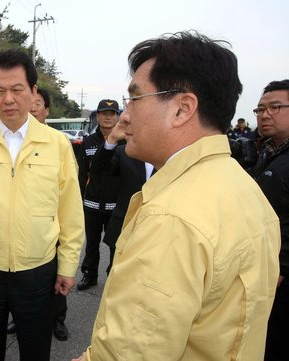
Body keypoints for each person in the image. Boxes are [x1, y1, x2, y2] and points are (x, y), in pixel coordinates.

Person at [74, 31, 280, 361]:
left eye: (135, 99)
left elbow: (131, 353)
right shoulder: (244, 188)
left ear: (182, 109)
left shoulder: (171, 218)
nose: (125, 115)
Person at [0, 49, 84, 361]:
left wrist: (67, 264)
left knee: (35, 351)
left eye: (17, 89)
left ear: (34, 93)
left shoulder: (57, 144)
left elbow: (70, 211)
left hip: (37, 271)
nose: (8, 99)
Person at [6, 87, 71, 341]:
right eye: (31, 105)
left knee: (53, 286)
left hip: (48, 231)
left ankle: (57, 320)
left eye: (38, 105)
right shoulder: (4, 140)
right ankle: (18, 318)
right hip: (17, 238)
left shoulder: (58, 143)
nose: (33, 109)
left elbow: (68, 197)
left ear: (46, 110)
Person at [250, 79, 289, 361]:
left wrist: (281, 267)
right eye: (260, 109)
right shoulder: (268, 151)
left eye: (275, 107)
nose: (265, 114)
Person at [90, 115, 154, 273]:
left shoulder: (170, 155)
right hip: (123, 226)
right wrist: (112, 138)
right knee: (116, 272)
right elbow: (98, 171)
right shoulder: (123, 152)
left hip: (156, 229)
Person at [77, 99, 120, 290]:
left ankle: (114, 277)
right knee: (91, 243)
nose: (108, 117)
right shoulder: (88, 142)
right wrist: (79, 198)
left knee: (116, 245)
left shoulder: (126, 141)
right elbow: (81, 174)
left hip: (116, 205)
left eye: (112, 113)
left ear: (117, 116)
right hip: (92, 204)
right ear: (98, 116)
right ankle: (89, 274)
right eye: (104, 113)